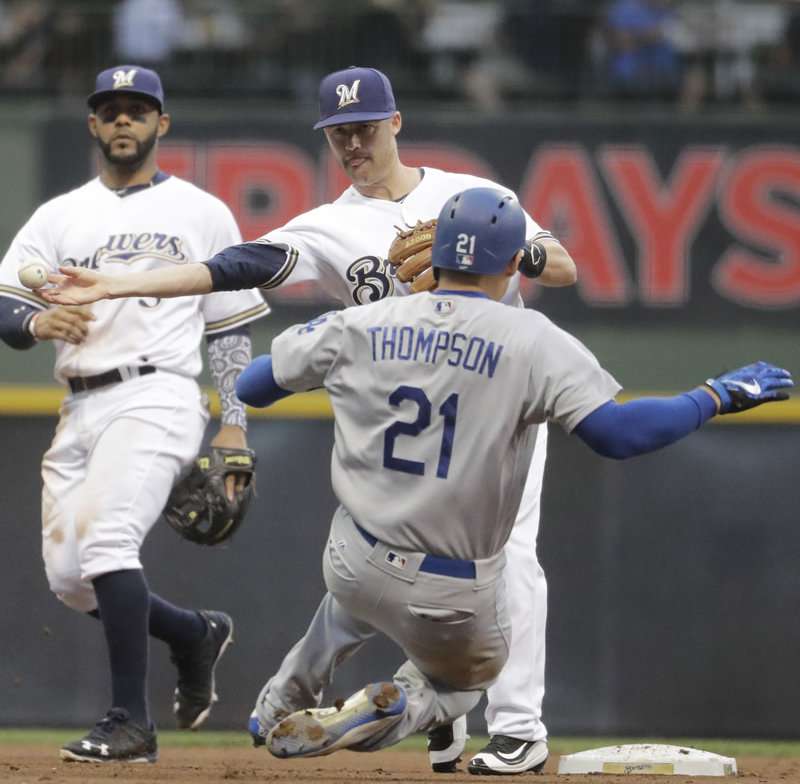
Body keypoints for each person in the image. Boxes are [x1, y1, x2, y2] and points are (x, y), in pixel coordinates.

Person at [39, 65, 577, 775]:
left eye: (363, 127)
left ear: (395, 122)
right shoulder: (329, 227)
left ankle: (517, 727)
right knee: (394, 567)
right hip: (403, 423)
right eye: (337, 133)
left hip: (497, 406)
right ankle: (444, 707)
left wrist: (527, 250)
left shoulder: (472, 197)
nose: (352, 142)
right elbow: (230, 267)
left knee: (508, 556)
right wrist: (122, 281)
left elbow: (562, 266)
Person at [233, 186, 792, 763]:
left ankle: (280, 700)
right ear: (510, 263)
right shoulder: (533, 340)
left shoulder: (360, 323)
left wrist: (329, 337)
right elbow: (618, 435)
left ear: (431, 255)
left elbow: (253, 386)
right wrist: (713, 396)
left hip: (352, 558)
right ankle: (405, 704)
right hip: (447, 593)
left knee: (357, 594)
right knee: (462, 681)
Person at [0, 64, 270, 763]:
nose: (125, 120)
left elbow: (231, 327)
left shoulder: (201, 211)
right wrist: (36, 324)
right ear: (94, 124)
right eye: (111, 109)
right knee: (69, 578)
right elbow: (6, 298)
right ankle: (191, 633)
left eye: (138, 109)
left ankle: (130, 723)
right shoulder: (58, 217)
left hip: (159, 392)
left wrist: (234, 421)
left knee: (109, 543)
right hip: (79, 403)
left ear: (161, 125)